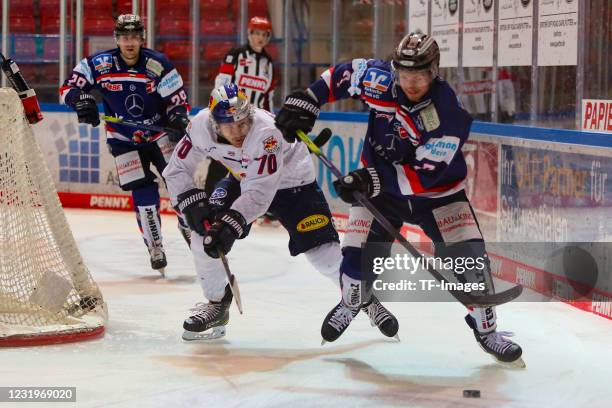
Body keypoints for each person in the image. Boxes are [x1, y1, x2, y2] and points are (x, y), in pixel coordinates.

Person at [275, 33, 524, 366]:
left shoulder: (446, 111)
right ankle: (353, 301)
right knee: (354, 268)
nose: (412, 82)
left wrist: (370, 178)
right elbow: (343, 75)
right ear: (395, 70)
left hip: (438, 196)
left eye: (420, 74)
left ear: (434, 70)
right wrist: (310, 98)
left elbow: (426, 174)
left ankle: (487, 330)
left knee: (472, 265)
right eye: (405, 74)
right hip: (381, 194)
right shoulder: (379, 79)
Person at [162, 84, 397, 341]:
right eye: (230, 126)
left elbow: (260, 193)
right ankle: (217, 303)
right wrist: (188, 200)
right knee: (203, 231)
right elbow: (176, 170)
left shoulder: (266, 132)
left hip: (294, 184)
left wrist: (230, 224)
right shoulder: (199, 127)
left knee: (323, 254)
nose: (239, 131)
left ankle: (359, 293)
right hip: (243, 179)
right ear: (215, 123)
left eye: (243, 122)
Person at [60, 14, 192, 274]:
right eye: (124, 36)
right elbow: (68, 89)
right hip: (123, 139)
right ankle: (154, 245)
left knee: (178, 182)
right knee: (143, 192)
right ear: (116, 38)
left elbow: (178, 100)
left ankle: (188, 224)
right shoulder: (99, 63)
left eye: (134, 36)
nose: (129, 42)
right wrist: (81, 100)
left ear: (142, 38)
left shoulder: (158, 63)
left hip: (158, 135)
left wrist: (178, 116)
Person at [208, 15, 279, 225]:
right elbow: (220, 84)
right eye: (256, 33)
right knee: (221, 162)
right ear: (249, 34)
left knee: (258, 166)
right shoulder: (235, 55)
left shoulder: (269, 63)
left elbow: (269, 97)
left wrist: (271, 123)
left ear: (268, 37)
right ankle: (211, 206)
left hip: (254, 125)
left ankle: (260, 208)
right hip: (230, 121)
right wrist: (217, 115)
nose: (259, 38)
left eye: (264, 34)